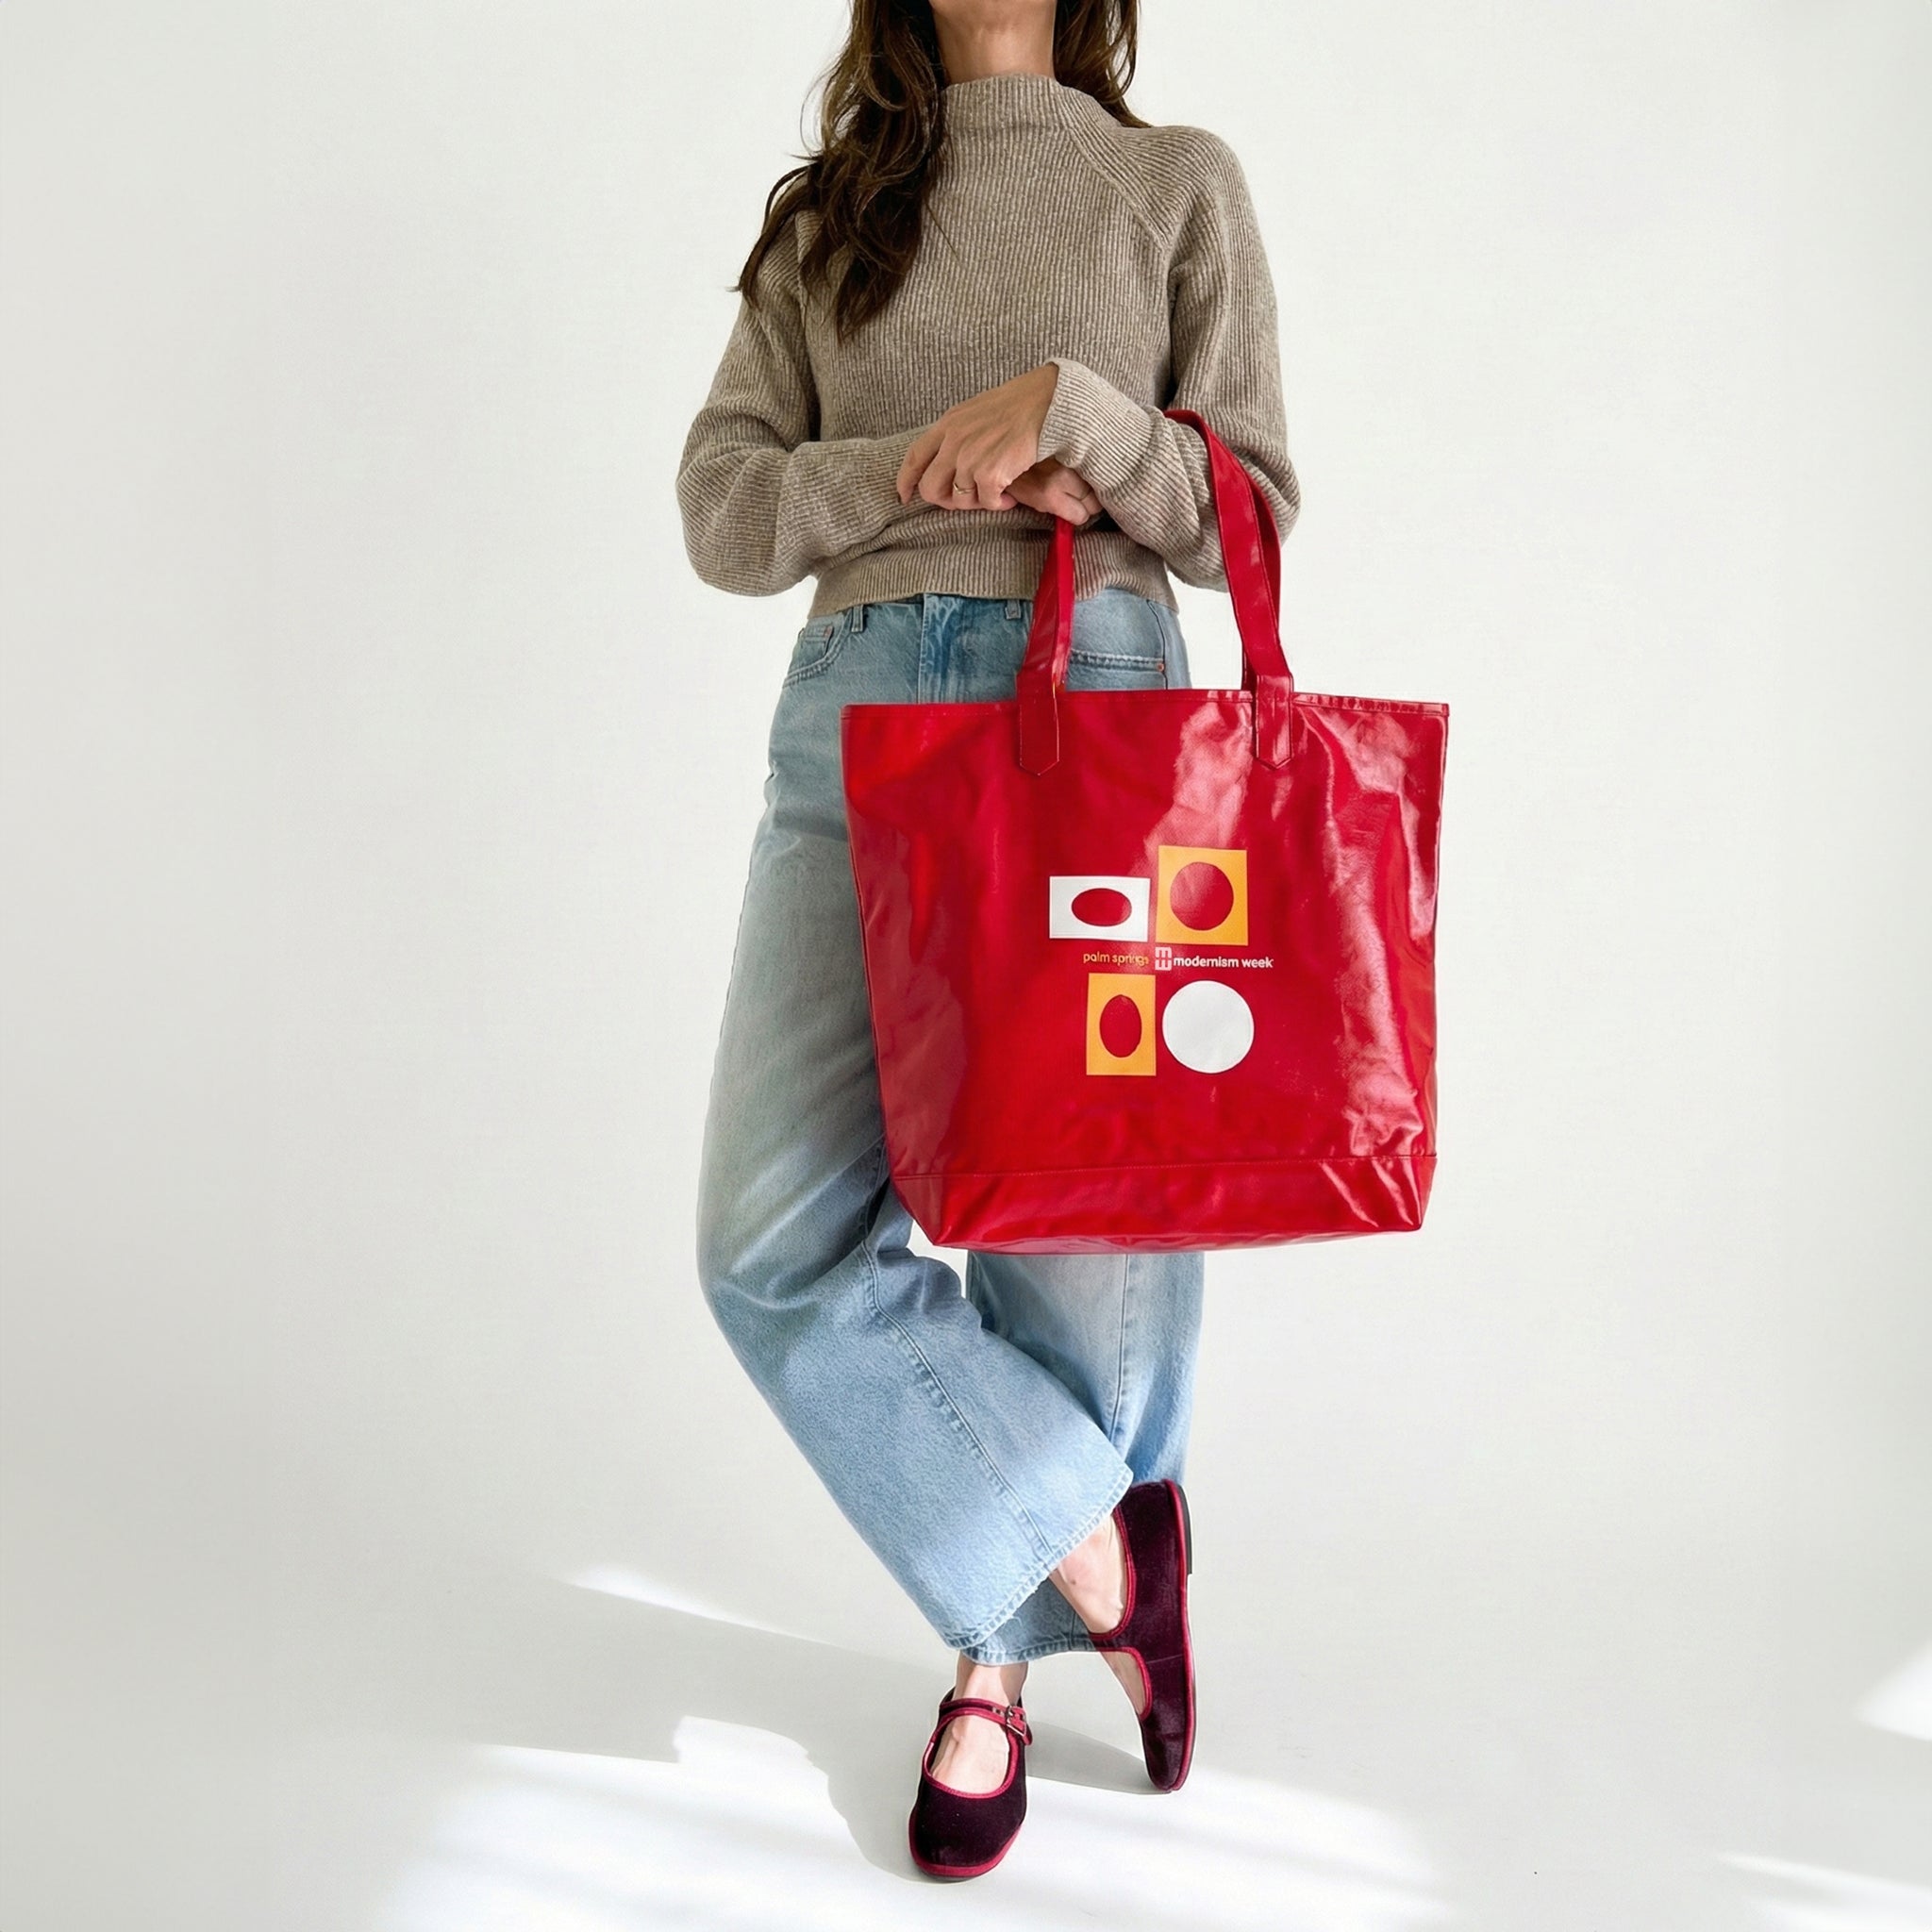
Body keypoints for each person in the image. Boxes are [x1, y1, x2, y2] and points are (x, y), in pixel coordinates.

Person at [675, 0, 1300, 1880]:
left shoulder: (1171, 188)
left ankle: (993, 1668)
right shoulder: (829, 217)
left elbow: (1247, 507)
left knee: (1071, 1215)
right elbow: (722, 507)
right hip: (853, 712)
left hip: (1094, 697)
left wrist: (1078, 423)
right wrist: (911, 466)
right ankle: (1104, 1548)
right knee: (769, 1238)